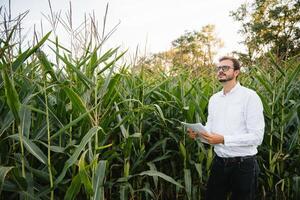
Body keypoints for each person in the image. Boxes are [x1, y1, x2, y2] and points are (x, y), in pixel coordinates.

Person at [188, 56, 265, 200]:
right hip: (219, 162)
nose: (220, 71)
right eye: (218, 68)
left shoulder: (250, 97)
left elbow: (257, 137)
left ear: (236, 72)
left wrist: (223, 139)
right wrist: (198, 134)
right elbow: (210, 130)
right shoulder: (214, 99)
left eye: (225, 68)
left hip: (243, 165)